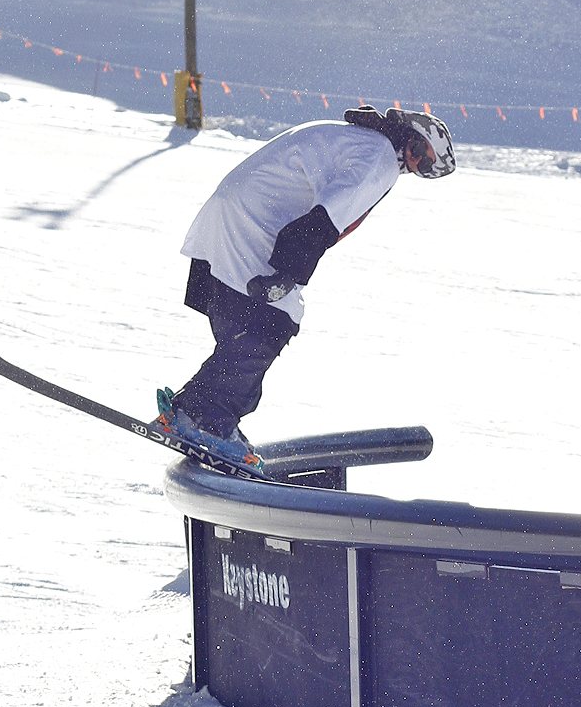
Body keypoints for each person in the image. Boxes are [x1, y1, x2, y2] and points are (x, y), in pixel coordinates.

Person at [157, 105, 454, 462]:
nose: (415, 161)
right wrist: (288, 272)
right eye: (419, 150)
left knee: (244, 325)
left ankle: (204, 411)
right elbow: (327, 217)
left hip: (232, 212)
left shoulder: (362, 140)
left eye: (425, 165)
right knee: (271, 323)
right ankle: (204, 416)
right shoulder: (380, 159)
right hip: (253, 223)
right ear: (407, 133)